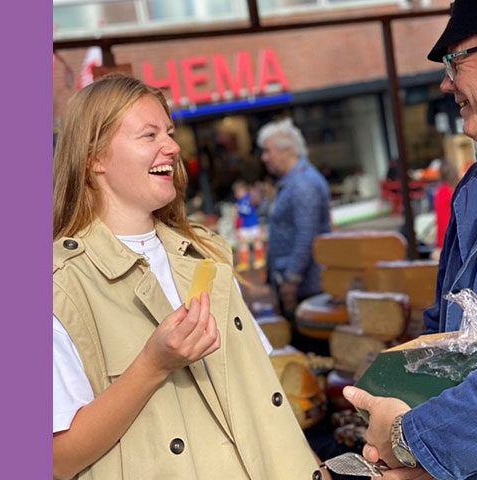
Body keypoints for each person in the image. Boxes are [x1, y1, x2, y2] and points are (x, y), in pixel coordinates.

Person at [52, 74, 325, 480]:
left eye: (170, 131)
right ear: (94, 159)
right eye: (149, 134)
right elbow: (58, 459)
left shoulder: (206, 255)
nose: (174, 147)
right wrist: (152, 365)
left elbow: (264, 399)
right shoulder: (59, 286)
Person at [344, 1, 477, 479]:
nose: (447, 82)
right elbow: (444, 338)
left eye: (457, 61)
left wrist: (411, 437)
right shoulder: (473, 189)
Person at [257, 118, 332, 317]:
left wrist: (291, 280)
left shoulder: (303, 184)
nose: (264, 157)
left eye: (268, 150)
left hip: (307, 289)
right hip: (300, 287)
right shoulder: (292, 182)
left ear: (286, 149)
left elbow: (307, 236)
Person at [232, 180, 265, 272]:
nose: (237, 194)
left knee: (257, 243)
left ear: (244, 190)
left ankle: (260, 259)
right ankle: (244, 263)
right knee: (243, 245)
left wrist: (238, 209)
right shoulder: (238, 202)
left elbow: (250, 209)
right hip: (244, 227)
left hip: (253, 225)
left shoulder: (250, 198)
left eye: (239, 191)